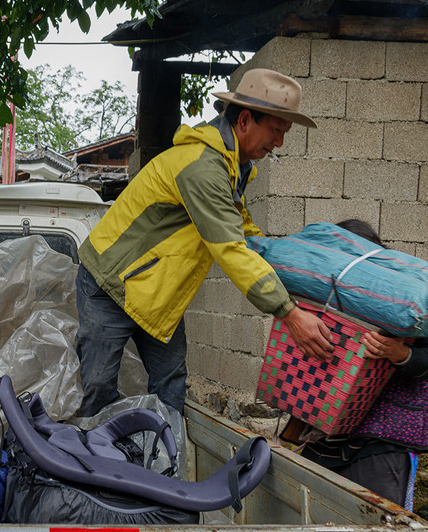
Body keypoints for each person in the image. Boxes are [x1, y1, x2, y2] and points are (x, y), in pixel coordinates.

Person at [75, 68, 334, 418]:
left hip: (156, 291)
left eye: (284, 133)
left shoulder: (233, 166)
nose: (279, 143)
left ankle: (161, 466)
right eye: (276, 130)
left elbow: (243, 234)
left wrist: (291, 266)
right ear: (245, 120)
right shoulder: (203, 166)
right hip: (110, 283)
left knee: (170, 386)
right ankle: (86, 466)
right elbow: (230, 249)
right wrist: (288, 313)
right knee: (98, 389)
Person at [298, 219, 428, 509]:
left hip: (380, 445)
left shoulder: (407, 305)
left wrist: (399, 353)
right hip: (325, 441)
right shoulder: (326, 302)